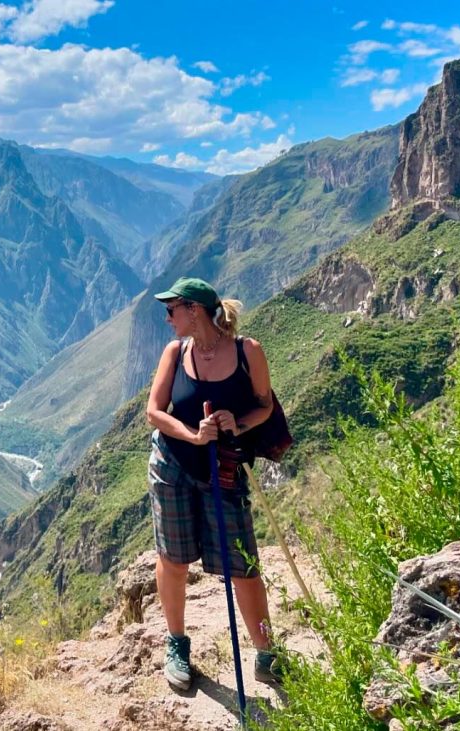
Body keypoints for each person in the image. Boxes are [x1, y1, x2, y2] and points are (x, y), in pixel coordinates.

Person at [145, 276, 282, 690]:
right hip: (172, 463)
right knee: (174, 558)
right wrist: (192, 435)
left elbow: (265, 406)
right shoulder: (176, 352)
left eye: (172, 311)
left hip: (222, 467)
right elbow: (154, 412)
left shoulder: (248, 352)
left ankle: (266, 654)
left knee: (243, 565)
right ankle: (177, 644)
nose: (168, 320)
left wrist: (234, 424)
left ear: (194, 310)